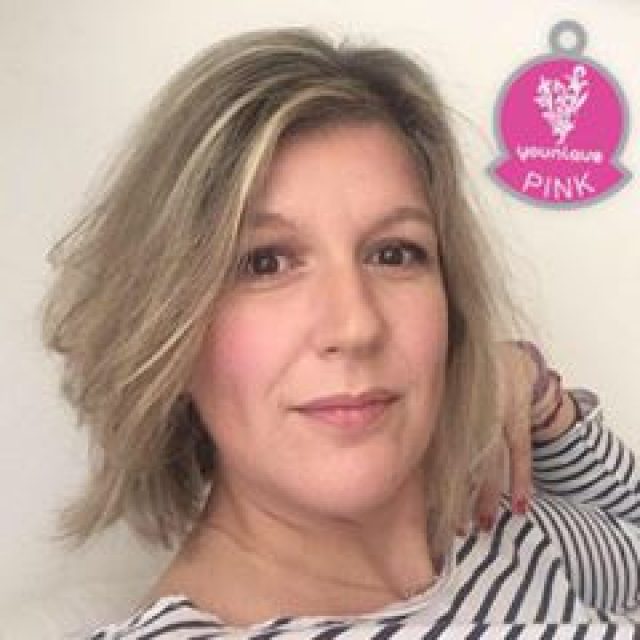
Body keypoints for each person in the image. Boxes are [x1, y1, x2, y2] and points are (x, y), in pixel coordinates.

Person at [42, 28, 639, 638]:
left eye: (394, 253)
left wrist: (537, 395)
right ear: (160, 327)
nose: (356, 325)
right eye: (265, 262)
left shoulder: (490, 522)